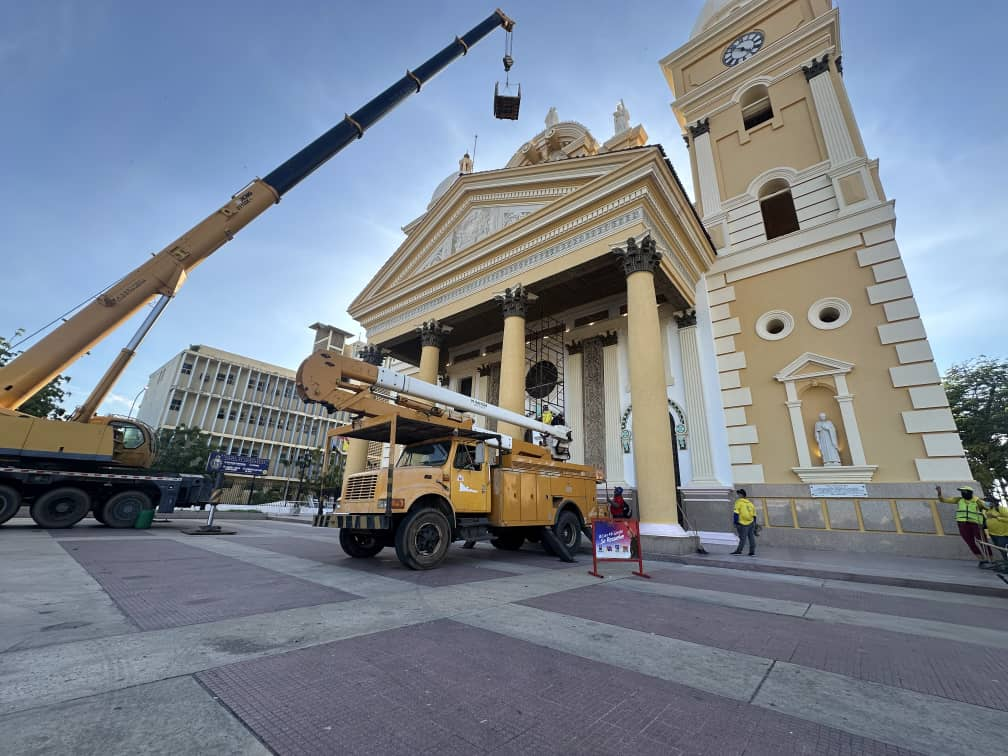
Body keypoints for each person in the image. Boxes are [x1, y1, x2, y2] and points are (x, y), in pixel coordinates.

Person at [936, 485, 991, 567]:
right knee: (970, 542)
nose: (962, 493)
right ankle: (982, 560)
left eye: (964, 492)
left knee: (983, 541)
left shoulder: (977, 500)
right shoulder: (959, 500)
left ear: (970, 493)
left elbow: (989, 507)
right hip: (962, 523)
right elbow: (943, 500)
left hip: (976, 523)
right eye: (962, 492)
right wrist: (939, 493)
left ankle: (991, 559)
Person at [731, 488, 756, 556]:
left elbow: (736, 513)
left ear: (741, 495)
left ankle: (739, 551)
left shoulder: (738, 502)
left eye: (738, 494)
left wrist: (735, 522)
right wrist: (754, 523)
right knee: (751, 537)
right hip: (751, 522)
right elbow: (754, 515)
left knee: (742, 538)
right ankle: (752, 552)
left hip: (743, 523)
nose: (737, 495)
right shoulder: (750, 503)